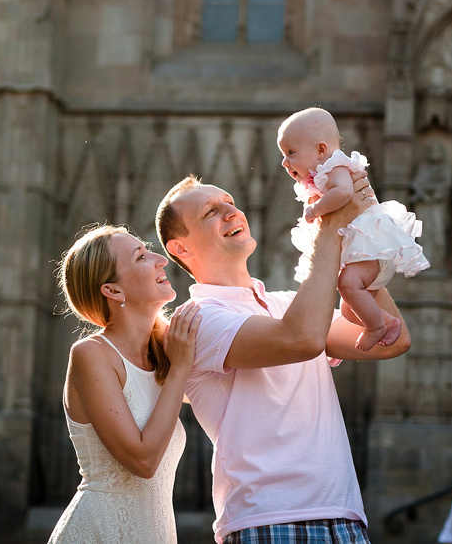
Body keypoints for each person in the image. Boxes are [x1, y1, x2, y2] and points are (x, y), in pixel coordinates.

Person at [156, 172, 411, 543]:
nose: (231, 211)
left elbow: (394, 340)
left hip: (344, 516)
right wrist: (331, 228)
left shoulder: (290, 304)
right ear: (181, 249)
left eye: (229, 201)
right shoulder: (198, 319)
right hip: (267, 520)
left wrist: (360, 242)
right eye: (212, 211)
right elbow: (301, 340)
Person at [46, 225, 202, 544]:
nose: (161, 259)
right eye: (141, 256)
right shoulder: (91, 354)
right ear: (113, 291)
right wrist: (180, 368)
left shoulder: (166, 351)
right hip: (98, 534)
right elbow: (142, 461)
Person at [277, 107, 429, 351]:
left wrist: (316, 210)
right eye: (283, 155)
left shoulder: (334, 166)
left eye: (291, 152)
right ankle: (387, 322)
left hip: (370, 248)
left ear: (321, 150)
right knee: (349, 306)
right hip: (366, 253)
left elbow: (345, 193)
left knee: (348, 284)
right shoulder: (326, 171)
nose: (285, 162)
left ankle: (375, 327)